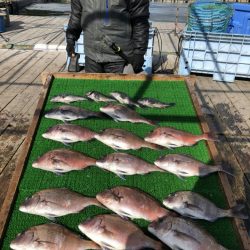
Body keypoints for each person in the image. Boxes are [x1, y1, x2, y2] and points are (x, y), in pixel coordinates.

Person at [66, 0, 150, 74]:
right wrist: (70, 38)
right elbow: (76, 16)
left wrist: (139, 51)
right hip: (91, 56)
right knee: (92, 90)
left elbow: (140, 19)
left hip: (120, 58)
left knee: (120, 91)